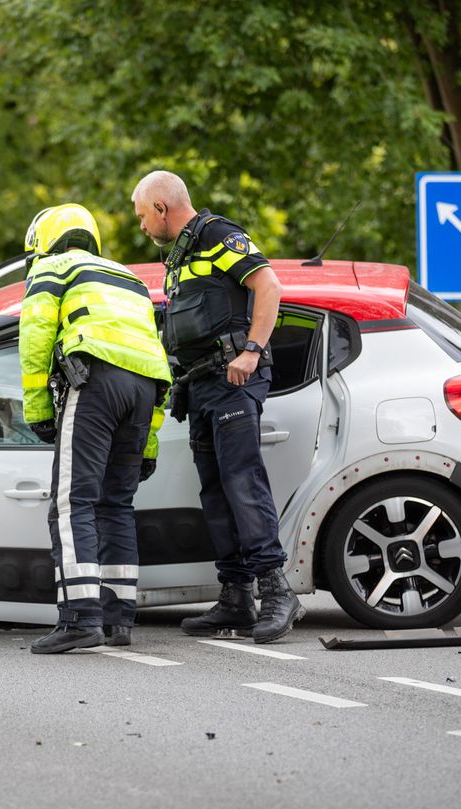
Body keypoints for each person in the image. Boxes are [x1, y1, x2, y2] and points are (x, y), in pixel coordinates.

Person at [130, 170, 305, 643]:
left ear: (163, 208)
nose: (142, 225)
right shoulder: (180, 255)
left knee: (241, 482)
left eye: (143, 215)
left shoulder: (217, 236)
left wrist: (251, 351)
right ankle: (235, 599)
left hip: (233, 380)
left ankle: (276, 593)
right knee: (216, 492)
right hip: (202, 385)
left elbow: (268, 286)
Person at [19, 203, 171, 654]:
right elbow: (155, 359)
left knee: (71, 503)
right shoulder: (130, 280)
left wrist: (38, 408)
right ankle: (117, 618)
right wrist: (149, 443)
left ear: (44, 242)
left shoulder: (54, 268)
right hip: (144, 390)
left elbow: (36, 337)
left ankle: (79, 618)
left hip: (95, 380)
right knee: (116, 505)